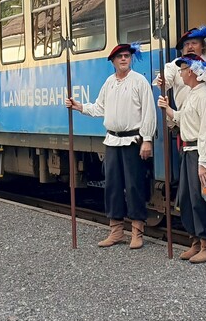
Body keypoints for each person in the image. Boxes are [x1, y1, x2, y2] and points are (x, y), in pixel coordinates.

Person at [65, 43, 156, 249]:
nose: (124, 59)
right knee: (113, 186)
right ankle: (116, 231)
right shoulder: (109, 82)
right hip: (112, 140)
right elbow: (99, 107)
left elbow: (149, 111)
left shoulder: (139, 81)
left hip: (133, 140)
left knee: (134, 186)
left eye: (127, 56)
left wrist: (147, 138)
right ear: (113, 61)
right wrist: (80, 107)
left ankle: (137, 231)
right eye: (120, 57)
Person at [158, 54, 206, 263]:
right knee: (186, 198)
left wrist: (204, 163)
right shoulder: (194, 94)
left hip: (197, 152)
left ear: (191, 71)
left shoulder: (205, 96)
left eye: (183, 70)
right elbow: (185, 118)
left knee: (199, 199)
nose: (181, 74)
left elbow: (205, 131)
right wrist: (169, 111)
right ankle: (195, 240)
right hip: (188, 150)